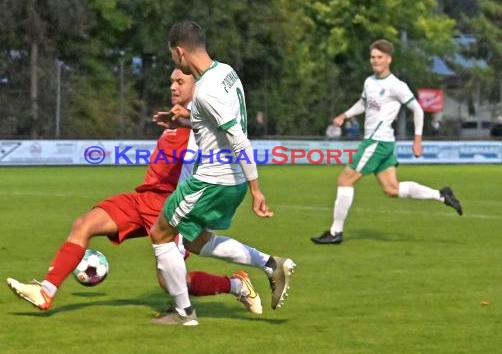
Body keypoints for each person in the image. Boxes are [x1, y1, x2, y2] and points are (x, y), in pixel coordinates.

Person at [6, 68, 263, 315]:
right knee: (84, 224)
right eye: (171, 81)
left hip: (171, 208)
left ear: (198, 86)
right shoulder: (175, 119)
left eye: (180, 82)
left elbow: (219, 132)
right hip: (143, 198)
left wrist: (188, 116)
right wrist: (178, 117)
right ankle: (46, 290)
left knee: (173, 284)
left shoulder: (203, 124)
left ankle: (237, 285)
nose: (173, 86)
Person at [150, 20, 296, 326]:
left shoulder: (206, 91)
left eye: (173, 57)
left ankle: (183, 313)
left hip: (212, 180)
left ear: (179, 52)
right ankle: (271, 265)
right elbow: (216, 123)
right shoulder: (227, 72)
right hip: (231, 180)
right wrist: (185, 122)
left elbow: (238, 138)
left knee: (161, 233)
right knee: (192, 240)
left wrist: (257, 190)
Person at [311, 39, 463, 245]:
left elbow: (417, 109)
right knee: (391, 189)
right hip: (384, 143)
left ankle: (335, 232)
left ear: (389, 59)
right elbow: (363, 103)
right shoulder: (369, 82)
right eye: (373, 57)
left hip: (377, 141)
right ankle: (442, 195)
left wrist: (417, 139)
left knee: (345, 180)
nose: (375, 60)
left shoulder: (396, 86)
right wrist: (344, 115)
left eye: (380, 57)